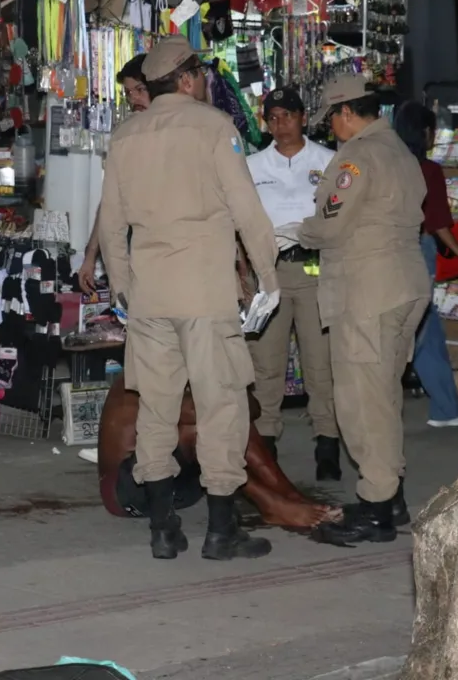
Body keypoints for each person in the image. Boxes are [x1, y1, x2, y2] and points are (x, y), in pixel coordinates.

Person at [96, 35, 280, 561]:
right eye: (200, 74)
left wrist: (125, 286)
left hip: (150, 296)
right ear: (187, 78)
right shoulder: (214, 128)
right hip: (205, 293)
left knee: (155, 408)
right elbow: (248, 212)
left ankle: (162, 527)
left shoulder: (126, 137)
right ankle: (222, 532)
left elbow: (112, 227)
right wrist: (268, 278)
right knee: (221, 405)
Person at [282, 76, 430, 543]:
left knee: (361, 403)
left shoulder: (358, 157)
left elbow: (329, 224)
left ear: (347, 112)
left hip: (368, 292)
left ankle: (375, 507)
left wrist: (293, 232)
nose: (331, 129)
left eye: (332, 119)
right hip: (405, 284)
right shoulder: (402, 152)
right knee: (383, 396)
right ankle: (394, 492)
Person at [244, 87, 341, 479]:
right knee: (266, 364)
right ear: (265, 122)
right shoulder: (251, 166)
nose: (281, 123)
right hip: (270, 272)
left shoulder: (330, 161)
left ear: (304, 117)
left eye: (288, 114)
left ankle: (328, 444)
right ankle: (266, 443)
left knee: (321, 364)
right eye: (273, 117)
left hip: (317, 270)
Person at [98, 375, 335, 528]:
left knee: (230, 420)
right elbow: (208, 411)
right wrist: (228, 397)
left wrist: (228, 393)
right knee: (207, 428)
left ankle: (288, 494)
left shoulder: (194, 363)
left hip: (179, 488)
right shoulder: (146, 372)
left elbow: (252, 409)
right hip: (131, 492)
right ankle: (269, 504)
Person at [393, 101, 458, 429]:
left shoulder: (387, 165)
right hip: (418, 250)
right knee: (419, 330)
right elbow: (439, 223)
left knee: (423, 329)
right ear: (425, 132)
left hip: (387, 252)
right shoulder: (427, 170)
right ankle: (438, 408)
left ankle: (445, 408)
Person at [78, 54, 150, 293]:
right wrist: (90, 256)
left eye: (139, 90)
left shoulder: (183, 131)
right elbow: (110, 200)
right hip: (133, 248)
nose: (134, 99)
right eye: (129, 93)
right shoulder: (126, 136)